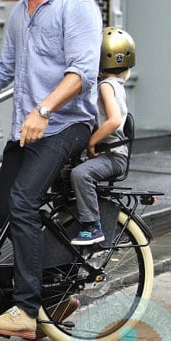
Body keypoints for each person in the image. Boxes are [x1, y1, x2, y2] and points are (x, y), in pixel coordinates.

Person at [0, 0, 103, 340]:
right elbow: (4, 69)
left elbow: (82, 73)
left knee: (23, 200)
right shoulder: (20, 10)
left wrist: (44, 109)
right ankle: (53, 293)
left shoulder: (77, 5)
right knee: (6, 212)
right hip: (27, 128)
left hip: (66, 123)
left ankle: (26, 310)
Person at [70, 26, 136, 245]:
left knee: (81, 175)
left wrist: (92, 142)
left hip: (113, 156)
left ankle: (92, 225)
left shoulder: (107, 86)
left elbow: (114, 120)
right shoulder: (116, 84)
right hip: (114, 154)